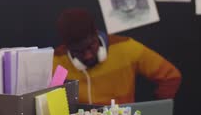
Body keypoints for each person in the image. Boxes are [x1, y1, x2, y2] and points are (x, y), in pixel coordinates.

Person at [53, 8, 181, 105]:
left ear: (96, 34)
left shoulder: (127, 48)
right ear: (68, 48)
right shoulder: (56, 62)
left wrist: (156, 110)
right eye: (78, 51)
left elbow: (171, 76)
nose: (87, 56)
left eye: (90, 46)